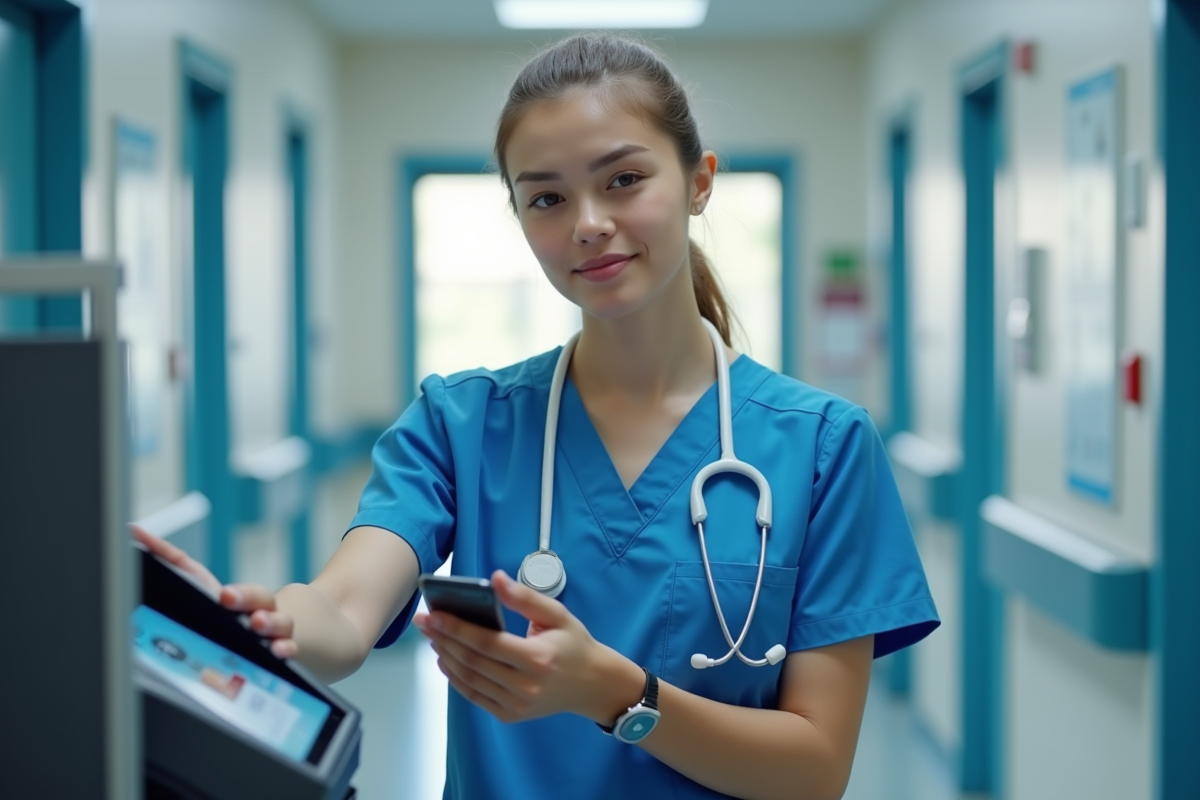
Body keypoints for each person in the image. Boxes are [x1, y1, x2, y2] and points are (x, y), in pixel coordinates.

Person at [139, 33, 939, 800]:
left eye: (623, 179)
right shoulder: (461, 424)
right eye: (547, 197)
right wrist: (272, 619)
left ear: (700, 182)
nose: (587, 222)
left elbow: (816, 768)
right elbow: (346, 608)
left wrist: (618, 693)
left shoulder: (825, 447)